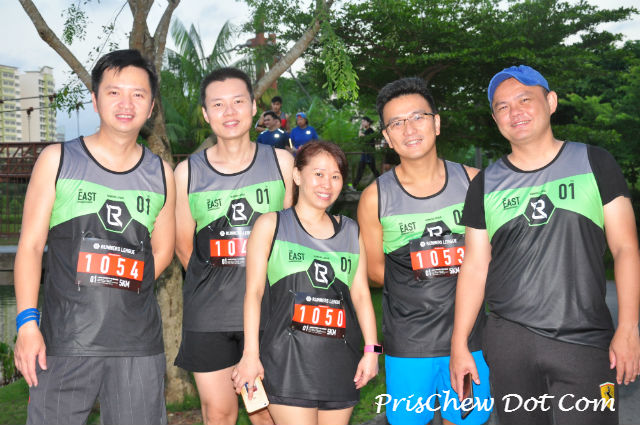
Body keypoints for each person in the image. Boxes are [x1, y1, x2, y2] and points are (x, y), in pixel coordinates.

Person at [450, 65, 640, 425]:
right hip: (509, 344)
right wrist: (459, 343)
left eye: (525, 99)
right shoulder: (485, 184)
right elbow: (474, 267)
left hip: (584, 342)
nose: (514, 112)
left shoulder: (594, 162)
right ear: (495, 119)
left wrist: (629, 329)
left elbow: (626, 249)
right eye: (503, 106)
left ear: (551, 102)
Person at [13, 49, 175, 425]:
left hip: (137, 346)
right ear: (95, 98)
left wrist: (119, 285)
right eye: (114, 92)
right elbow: (30, 247)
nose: (126, 104)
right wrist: (26, 324)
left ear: (151, 106)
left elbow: (163, 250)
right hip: (64, 341)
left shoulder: (161, 173)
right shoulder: (57, 160)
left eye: (138, 94)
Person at [358, 77, 491, 425]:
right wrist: (428, 279)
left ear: (436, 123)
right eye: (396, 123)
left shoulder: (475, 182)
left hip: (472, 338)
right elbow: (374, 271)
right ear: (387, 137)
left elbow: (493, 259)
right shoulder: (375, 197)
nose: (409, 129)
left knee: (466, 421)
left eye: (418, 117)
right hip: (409, 343)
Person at [173, 67, 294, 425]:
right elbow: (184, 248)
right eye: (218, 104)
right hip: (210, 317)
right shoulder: (187, 173)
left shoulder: (282, 163)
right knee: (219, 414)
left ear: (253, 107)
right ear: (206, 114)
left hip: (270, 315)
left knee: (265, 415)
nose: (229, 112)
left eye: (238, 101)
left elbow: (292, 237)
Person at [233, 141, 380, 425]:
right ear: (297, 175)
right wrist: (250, 354)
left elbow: (361, 295)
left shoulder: (351, 231)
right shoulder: (271, 225)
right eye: (319, 174)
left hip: (340, 364)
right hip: (287, 362)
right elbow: (253, 293)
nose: (327, 184)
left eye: (335, 176)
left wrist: (372, 350)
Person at [350, 116, 380, 190]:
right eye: (362, 122)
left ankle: (384, 184)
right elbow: (360, 137)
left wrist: (360, 128)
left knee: (374, 171)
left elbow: (361, 136)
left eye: (363, 121)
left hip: (369, 154)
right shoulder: (366, 131)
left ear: (368, 123)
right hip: (365, 154)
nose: (362, 123)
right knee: (360, 170)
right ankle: (354, 186)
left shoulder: (370, 130)